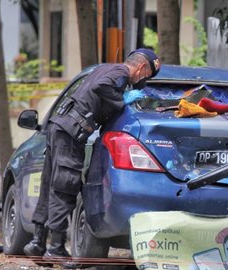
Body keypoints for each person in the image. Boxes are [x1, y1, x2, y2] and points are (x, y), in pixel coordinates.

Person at [23, 48, 160, 266]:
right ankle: (55, 249)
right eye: (146, 76)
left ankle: (37, 243)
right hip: (70, 133)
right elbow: (100, 87)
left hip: (59, 128)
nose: (141, 82)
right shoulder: (120, 73)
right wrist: (123, 100)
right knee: (65, 187)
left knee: (51, 184)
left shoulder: (104, 68)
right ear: (142, 67)